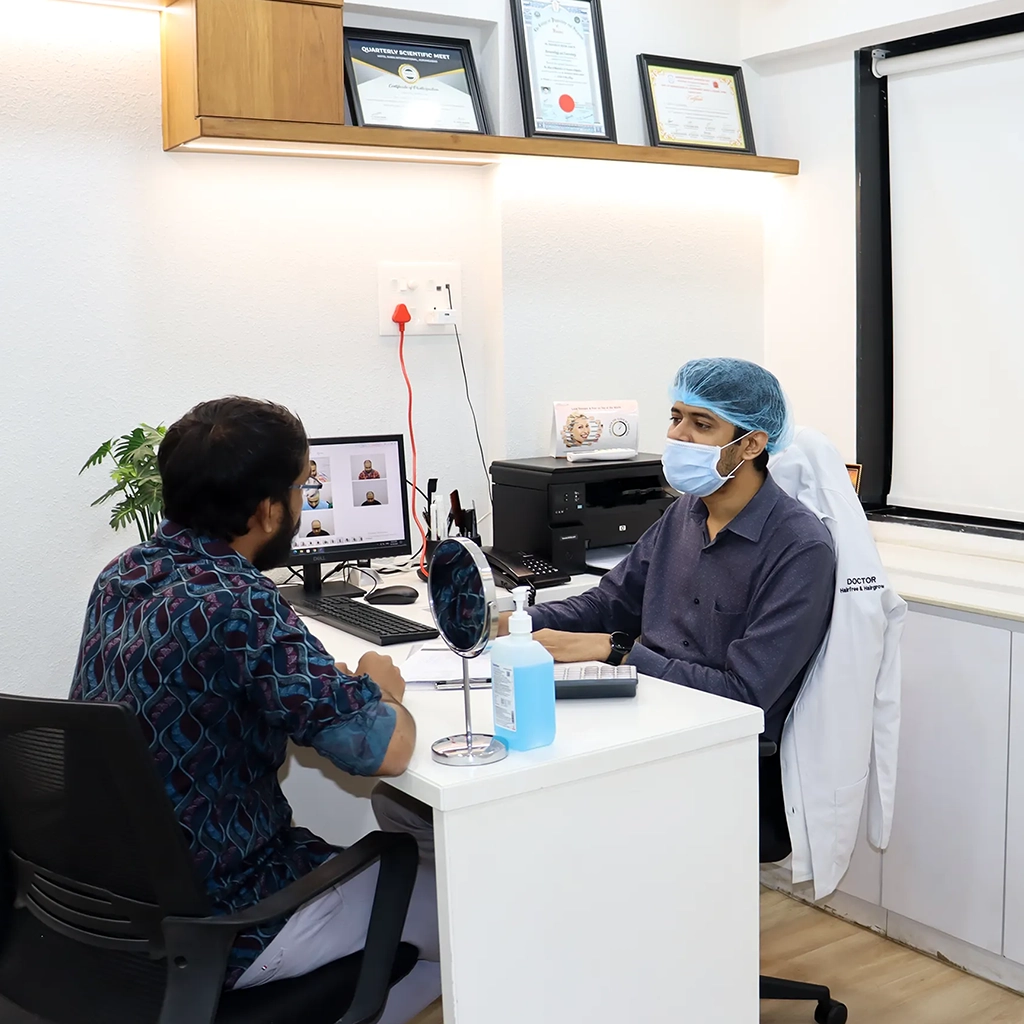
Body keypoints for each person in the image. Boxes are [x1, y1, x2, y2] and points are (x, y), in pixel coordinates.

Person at [70, 397, 440, 1023]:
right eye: (300, 488)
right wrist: (383, 687)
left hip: (120, 912)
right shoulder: (239, 601)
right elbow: (387, 749)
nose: (301, 504)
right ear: (269, 510)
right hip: (236, 917)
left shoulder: (121, 576)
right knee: (472, 906)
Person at [505, 358, 837, 754]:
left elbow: (744, 692)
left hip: (722, 747)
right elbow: (609, 604)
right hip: (648, 713)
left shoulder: (799, 548)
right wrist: (511, 623)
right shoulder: (685, 511)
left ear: (751, 444)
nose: (678, 435)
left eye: (702, 424)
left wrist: (617, 652)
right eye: (676, 417)